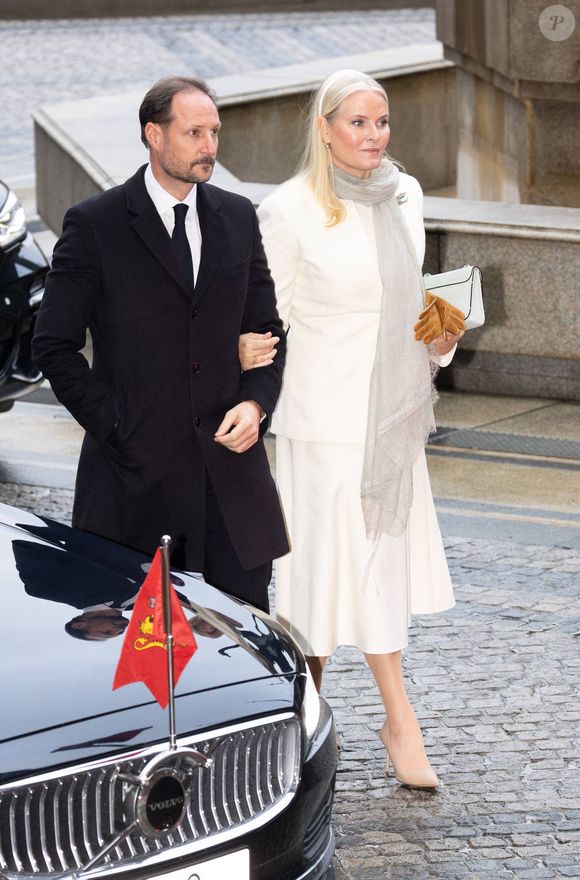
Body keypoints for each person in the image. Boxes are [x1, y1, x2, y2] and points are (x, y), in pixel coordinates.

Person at [240, 69, 464, 788]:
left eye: (383, 122)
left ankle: (395, 718)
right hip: (325, 425)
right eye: (360, 123)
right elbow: (270, 318)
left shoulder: (405, 193)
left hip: (393, 421)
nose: (374, 136)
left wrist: (444, 332)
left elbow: (416, 298)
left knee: (376, 573)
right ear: (326, 128)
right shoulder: (291, 209)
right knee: (317, 580)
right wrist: (242, 367)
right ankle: (313, 712)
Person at [32, 75, 289, 614]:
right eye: (194, 132)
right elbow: (53, 345)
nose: (209, 147)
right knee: (137, 659)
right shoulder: (95, 224)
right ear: (154, 134)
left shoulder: (238, 217)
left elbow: (267, 333)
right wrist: (117, 425)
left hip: (229, 484)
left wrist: (256, 403)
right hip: (133, 487)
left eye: (214, 132)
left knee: (239, 652)